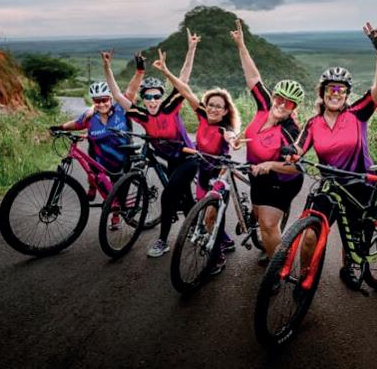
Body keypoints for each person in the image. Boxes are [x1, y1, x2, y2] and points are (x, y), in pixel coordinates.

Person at [294, 21, 377, 283]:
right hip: (330, 185)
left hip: (360, 183)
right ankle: (303, 278)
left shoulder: (357, 113)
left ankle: (350, 266)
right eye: (330, 89)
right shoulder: (313, 123)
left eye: (340, 89)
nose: (335, 93)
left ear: (347, 94)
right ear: (322, 93)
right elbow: (298, 149)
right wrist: (288, 154)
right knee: (310, 234)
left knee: (354, 237)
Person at [103, 29, 200, 258]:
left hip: (188, 157)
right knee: (185, 196)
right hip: (172, 160)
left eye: (156, 96)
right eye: (148, 97)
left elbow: (183, 80)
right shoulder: (142, 115)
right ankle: (197, 227)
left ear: (161, 97)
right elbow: (118, 96)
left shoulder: (170, 107)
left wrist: (192, 49)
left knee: (168, 196)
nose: (153, 100)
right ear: (143, 99)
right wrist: (107, 67)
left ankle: (163, 241)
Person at [153, 54, 241, 274]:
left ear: (225, 111)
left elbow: (231, 136)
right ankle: (226, 240)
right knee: (205, 214)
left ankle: (218, 257)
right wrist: (166, 71)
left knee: (210, 216)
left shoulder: (225, 128)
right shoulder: (202, 114)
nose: (213, 109)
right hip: (202, 174)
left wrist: (233, 140)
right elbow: (184, 90)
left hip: (219, 177)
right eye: (211, 105)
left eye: (219, 107)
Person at [229, 19, 305, 265]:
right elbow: (253, 76)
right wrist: (241, 45)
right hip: (256, 174)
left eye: (289, 103)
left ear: (294, 107)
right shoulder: (263, 106)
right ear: (273, 96)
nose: (282, 104)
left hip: (281, 181)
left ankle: (278, 269)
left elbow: (296, 167)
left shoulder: (290, 131)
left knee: (268, 225)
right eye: (279, 98)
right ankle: (262, 229)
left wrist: (271, 165)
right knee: (257, 213)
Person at [49, 52, 144, 201]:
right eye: (97, 101)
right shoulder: (90, 116)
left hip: (123, 160)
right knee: (100, 184)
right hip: (99, 162)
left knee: (119, 198)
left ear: (111, 98)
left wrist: (139, 71)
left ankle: (116, 210)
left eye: (104, 100)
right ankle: (93, 186)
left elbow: (132, 90)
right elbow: (76, 123)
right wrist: (60, 127)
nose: (101, 104)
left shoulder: (121, 109)